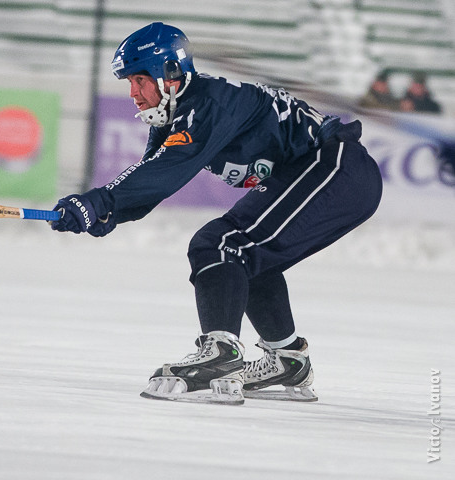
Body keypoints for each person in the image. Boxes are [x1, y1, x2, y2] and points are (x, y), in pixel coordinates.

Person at [50, 22, 383, 404]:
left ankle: (221, 354)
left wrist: (101, 201)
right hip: (335, 175)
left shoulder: (208, 101)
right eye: (129, 82)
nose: (133, 93)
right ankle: (288, 358)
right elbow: (152, 178)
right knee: (244, 258)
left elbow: (170, 167)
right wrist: (105, 213)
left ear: (170, 74)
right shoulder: (179, 111)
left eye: (140, 80)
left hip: (338, 168)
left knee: (221, 245)